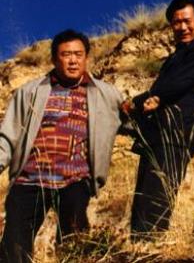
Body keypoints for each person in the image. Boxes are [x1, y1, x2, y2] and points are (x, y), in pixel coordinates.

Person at [0, 29, 130, 262]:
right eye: (66, 55)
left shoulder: (106, 94)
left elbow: (132, 122)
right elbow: (8, 136)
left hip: (75, 181)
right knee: (13, 250)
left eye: (78, 54)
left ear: (86, 57)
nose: (73, 60)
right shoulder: (29, 92)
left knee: (76, 247)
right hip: (29, 181)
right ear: (54, 59)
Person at [129, 0, 194, 240]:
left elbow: (178, 84)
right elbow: (160, 89)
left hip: (177, 133)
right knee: (143, 197)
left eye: (187, 21)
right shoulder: (176, 56)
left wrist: (154, 99)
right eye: (176, 23)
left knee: (156, 200)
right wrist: (135, 103)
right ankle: (139, 248)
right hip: (158, 134)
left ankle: (150, 249)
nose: (182, 27)